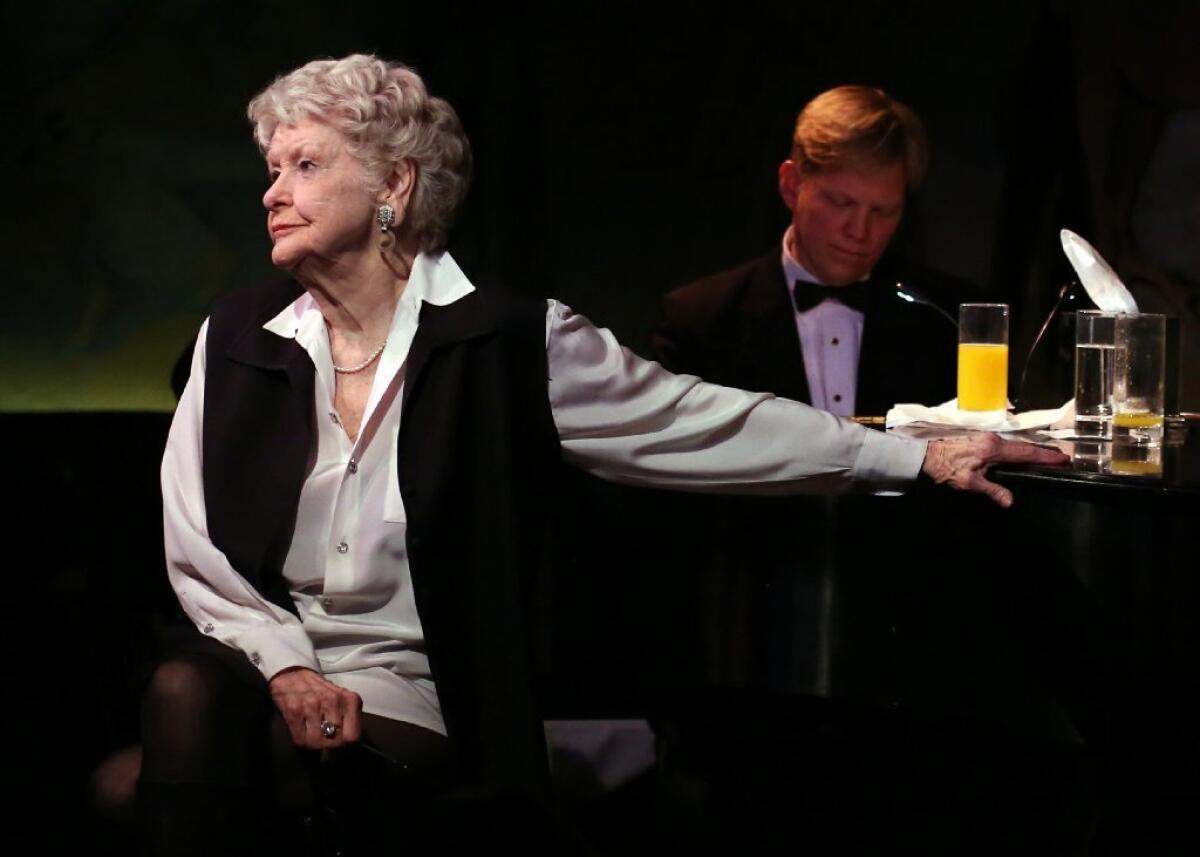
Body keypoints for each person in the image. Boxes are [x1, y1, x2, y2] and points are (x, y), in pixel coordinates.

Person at [137, 55, 1062, 855]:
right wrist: (286, 664)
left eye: (305, 164)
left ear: (395, 186)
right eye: (272, 167)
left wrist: (909, 457)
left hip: (416, 684)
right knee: (187, 695)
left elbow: (701, 421)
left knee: (184, 782)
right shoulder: (237, 336)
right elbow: (198, 544)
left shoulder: (505, 341)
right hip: (259, 663)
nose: (273, 191)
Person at [651, 85, 961, 416]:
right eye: (841, 202)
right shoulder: (700, 320)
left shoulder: (944, 320)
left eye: (882, 211)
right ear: (791, 186)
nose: (859, 232)